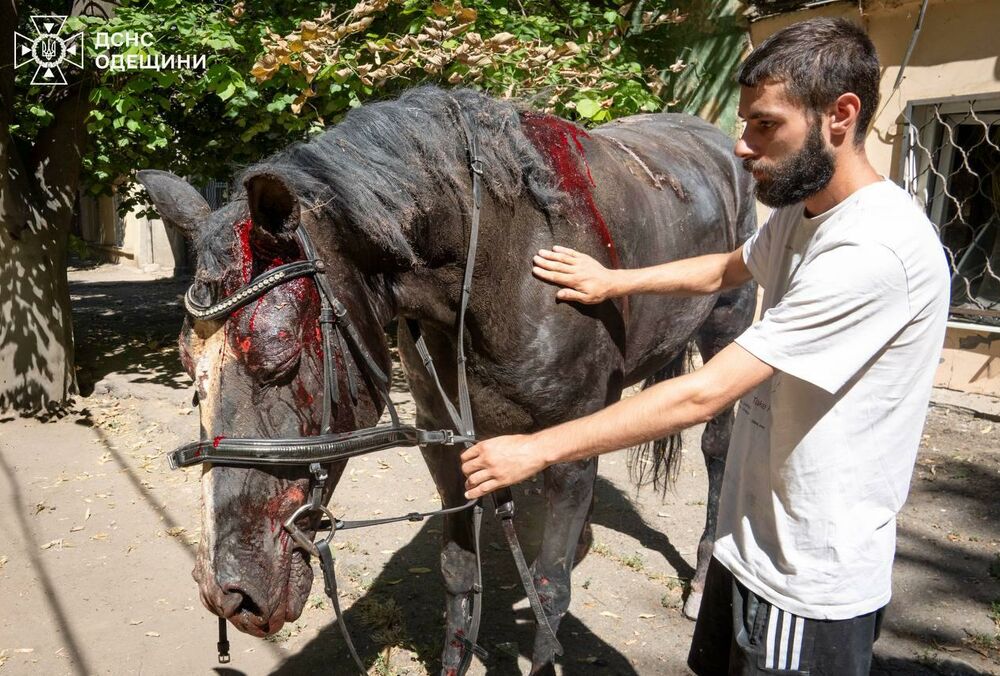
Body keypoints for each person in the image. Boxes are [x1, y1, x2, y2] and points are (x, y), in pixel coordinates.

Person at [460, 17, 950, 676]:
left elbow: (704, 393)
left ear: (841, 115)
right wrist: (614, 279)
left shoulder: (874, 251)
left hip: (806, 579)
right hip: (749, 541)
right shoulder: (806, 216)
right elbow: (727, 268)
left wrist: (537, 447)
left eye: (764, 125)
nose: (743, 148)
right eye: (744, 125)